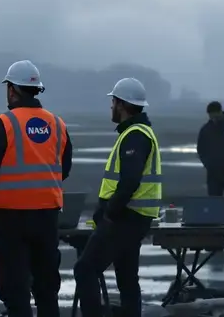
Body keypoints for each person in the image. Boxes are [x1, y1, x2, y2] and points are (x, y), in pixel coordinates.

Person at [0, 60, 72, 317]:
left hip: (12, 217)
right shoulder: (57, 124)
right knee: (46, 289)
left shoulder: (4, 124)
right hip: (47, 216)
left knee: (15, 289)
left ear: (12, 90)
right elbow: (64, 168)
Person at [73, 78, 161, 317]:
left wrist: (109, 211)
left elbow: (130, 181)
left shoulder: (135, 135)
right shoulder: (138, 132)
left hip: (125, 218)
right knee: (126, 276)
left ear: (121, 104)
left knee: (86, 268)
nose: (111, 107)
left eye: (113, 102)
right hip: (134, 218)